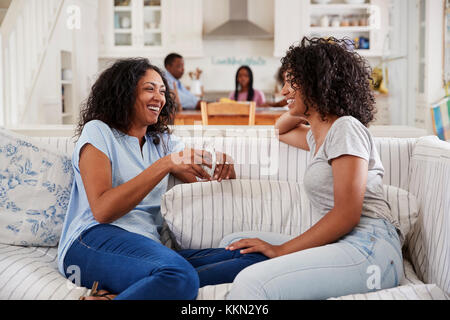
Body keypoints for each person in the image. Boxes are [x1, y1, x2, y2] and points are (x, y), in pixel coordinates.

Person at [57, 58, 267, 300]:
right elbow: (103, 210)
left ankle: (132, 292)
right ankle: (163, 283)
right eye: (149, 89)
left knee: (255, 258)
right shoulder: (99, 131)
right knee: (179, 276)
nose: (160, 97)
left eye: (163, 91)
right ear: (124, 93)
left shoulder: (161, 142)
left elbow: (200, 174)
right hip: (92, 241)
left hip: (148, 249)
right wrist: (165, 164)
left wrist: (221, 162)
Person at [222, 37, 404, 299]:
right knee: (232, 243)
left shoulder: (346, 128)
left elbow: (347, 215)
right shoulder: (318, 135)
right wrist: (300, 101)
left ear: (318, 82)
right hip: (343, 242)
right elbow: (280, 130)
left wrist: (281, 250)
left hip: (371, 247)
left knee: (252, 283)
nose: (283, 91)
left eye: (292, 81)